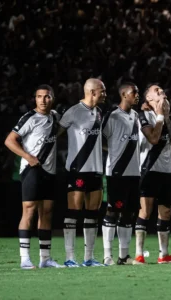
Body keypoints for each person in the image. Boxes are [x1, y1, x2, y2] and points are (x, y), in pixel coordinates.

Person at [4, 85, 64, 269]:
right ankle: (25, 259)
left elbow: (58, 131)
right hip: (32, 170)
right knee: (29, 211)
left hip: (49, 171)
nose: (43, 100)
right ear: (35, 99)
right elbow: (9, 140)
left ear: (52, 98)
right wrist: (28, 157)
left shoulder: (55, 116)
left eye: (46, 97)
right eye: (39, 97)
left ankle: (45, 259)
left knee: (46, 212)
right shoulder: (29, 118)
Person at [59, 78, 106, 267]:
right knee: (73, 212)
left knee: (92, 213)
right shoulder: (73, 112)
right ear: (92, 92)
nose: (105, 94)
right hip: (77, 170)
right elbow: (56, 134)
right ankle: (70, 257)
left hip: (96, 170)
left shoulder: (99, 112)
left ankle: (89, 258)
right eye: (102, 91)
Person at [134, 84, 171, 264]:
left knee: (166, 212)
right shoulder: (143, 116)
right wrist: (161, 116)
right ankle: (139, 254)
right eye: (157, 91)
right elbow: (153, 139)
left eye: (163, 90)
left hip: (168, 169)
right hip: (149, 168)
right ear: (149, 99)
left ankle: (164, 254)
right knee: (145, 210)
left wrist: (167, 118)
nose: (162, 92)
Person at [101, 82, 141, 265]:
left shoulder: (136, 116)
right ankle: (107, 255)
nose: (137, 95)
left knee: (129, 213)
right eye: (134, 92)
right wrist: (113, 151)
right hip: (116, 172)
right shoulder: (112, 116)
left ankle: (123, 256)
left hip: (134, 172)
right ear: (124, 94)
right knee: (112, 211)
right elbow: (98, 138)